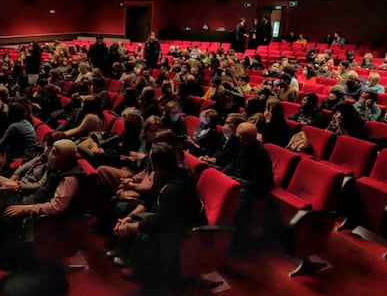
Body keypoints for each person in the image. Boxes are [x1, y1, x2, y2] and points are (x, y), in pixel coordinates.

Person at [0, 139, 84, 275]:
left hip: (34, 208)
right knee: (3, 192)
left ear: (66, 157)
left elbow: (57, 206)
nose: (50, 153)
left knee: (0, 225)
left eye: (55, 152)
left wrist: (25, 209)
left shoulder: (69, 179)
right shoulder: (57, 165)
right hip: (30, 198)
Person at [113, 142, 205, 286]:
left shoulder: (176, 187)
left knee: (143, 232)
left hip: (184, 226)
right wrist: (129, 217)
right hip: (167, 217)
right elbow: (149, 200)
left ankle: (149, 278)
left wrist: (130, 227)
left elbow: (161, 220)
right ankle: (133, 261)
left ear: (157, 164)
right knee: (133, 216)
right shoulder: (161, 174)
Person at [223, 122, 274, 253]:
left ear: (244, 138)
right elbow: (233, 164)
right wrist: (223, 174)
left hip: (252, 188)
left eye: (239, 136)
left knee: (237, 207)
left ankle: (238, 241)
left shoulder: (260, 154)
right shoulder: (240, 146)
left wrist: (237, 181)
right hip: (237, 180)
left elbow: (260, 182)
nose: (236, 138)